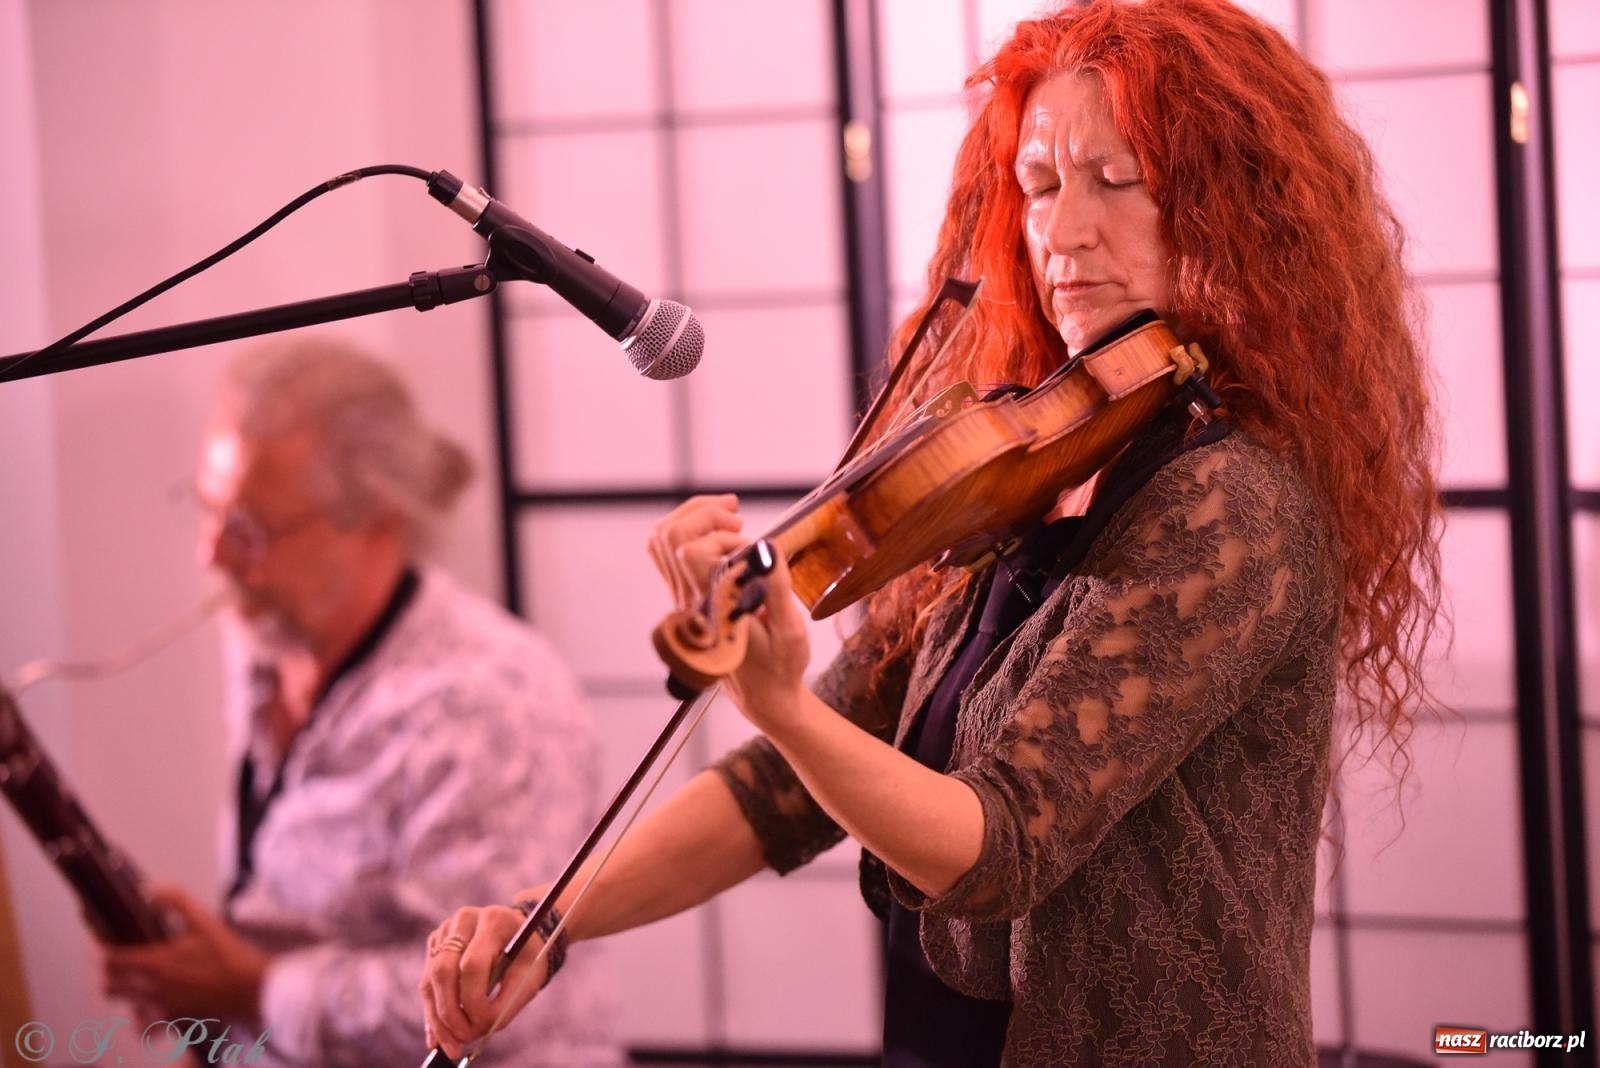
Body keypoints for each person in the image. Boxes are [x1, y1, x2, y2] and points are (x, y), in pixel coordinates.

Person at [418, 1, 1443, 1064]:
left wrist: (770, 697)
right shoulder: (1021, 474)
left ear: (1227, 203)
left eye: (1118, 180)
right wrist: (548, 919)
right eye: (1040, 186)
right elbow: (781, 792)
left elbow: (997, 846)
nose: (1065, 231)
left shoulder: (1233, 503)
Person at [100, 338, 620, 1067]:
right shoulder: (271, 630)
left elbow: (506, 995)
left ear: (377, 519)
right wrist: (194, 986)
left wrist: (253, 990)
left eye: (249, 528)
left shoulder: (488, 701)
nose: (212, 555)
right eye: (208, 510)